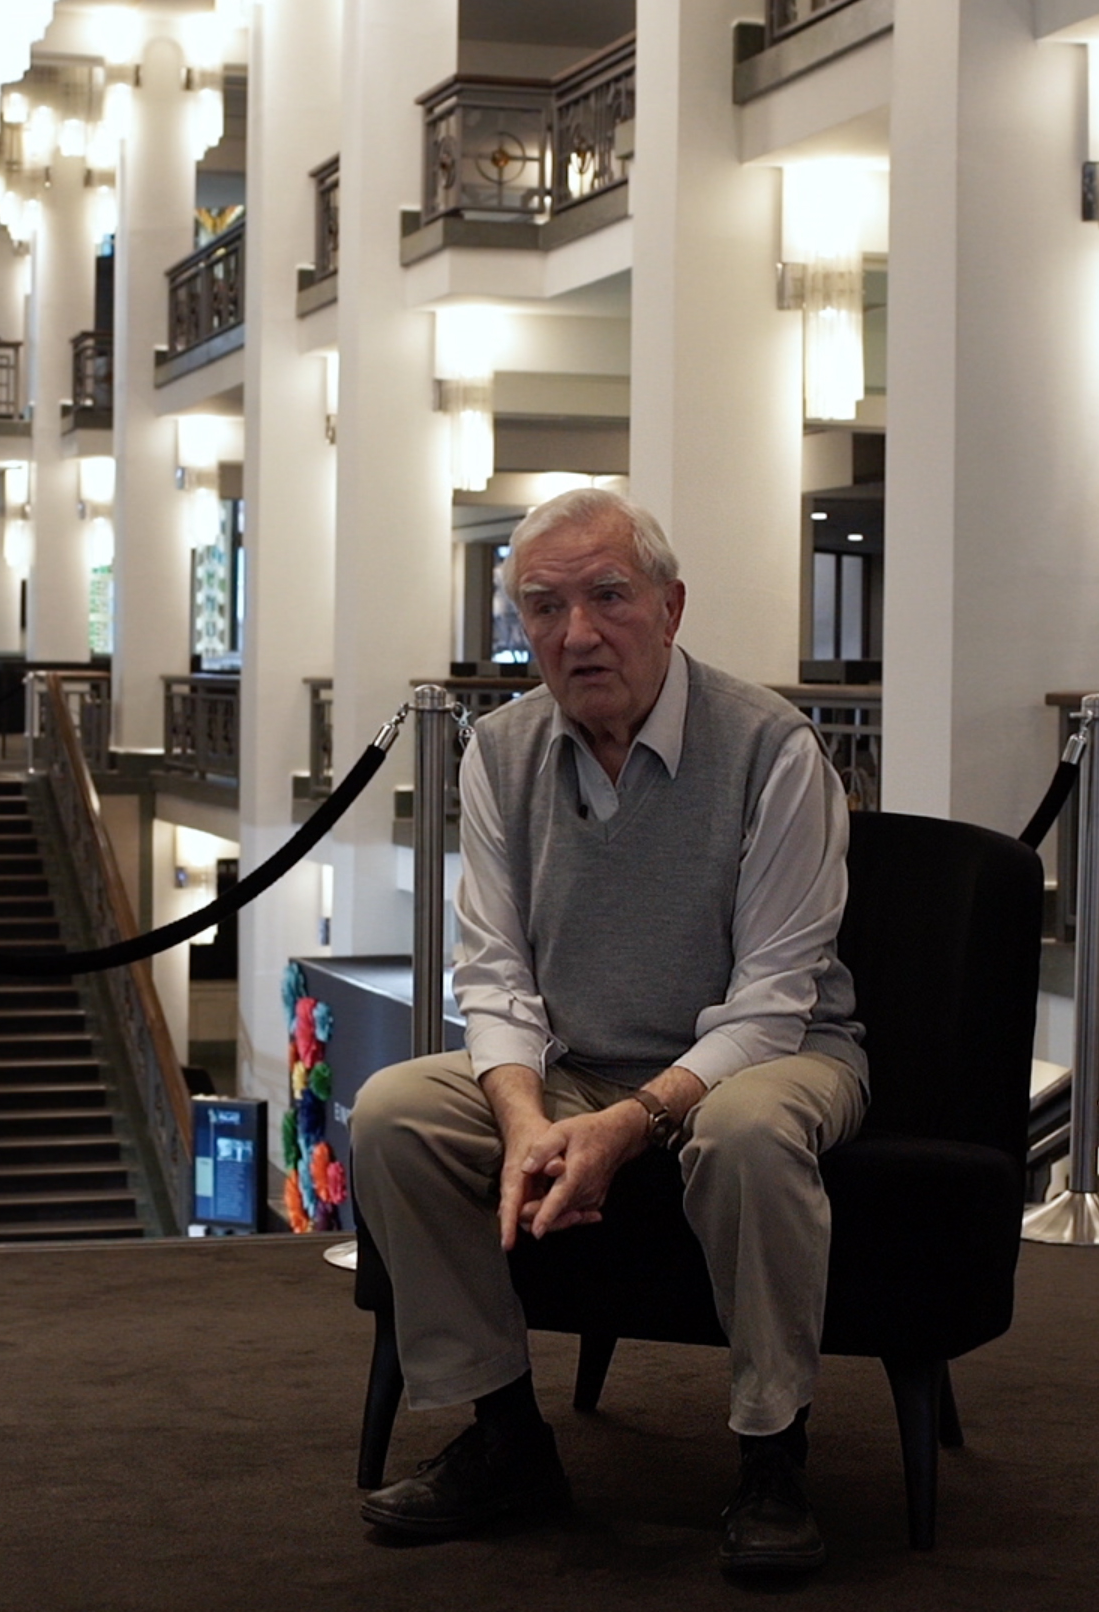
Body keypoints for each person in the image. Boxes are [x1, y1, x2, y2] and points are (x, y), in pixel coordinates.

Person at [349, 488, 866, 1575]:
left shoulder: (774, 750)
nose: (575, 633)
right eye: (541, 607)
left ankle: (772, 1452)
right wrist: (527, 1114)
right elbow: (493, 974)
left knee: (745, 1134)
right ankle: (504, 1437)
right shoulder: (498, 752)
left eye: (607, 597)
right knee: (394, 1111)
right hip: (578, 1063)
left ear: (671, 608)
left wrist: (630, 1125)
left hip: (775, 1056)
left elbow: (774, 995)